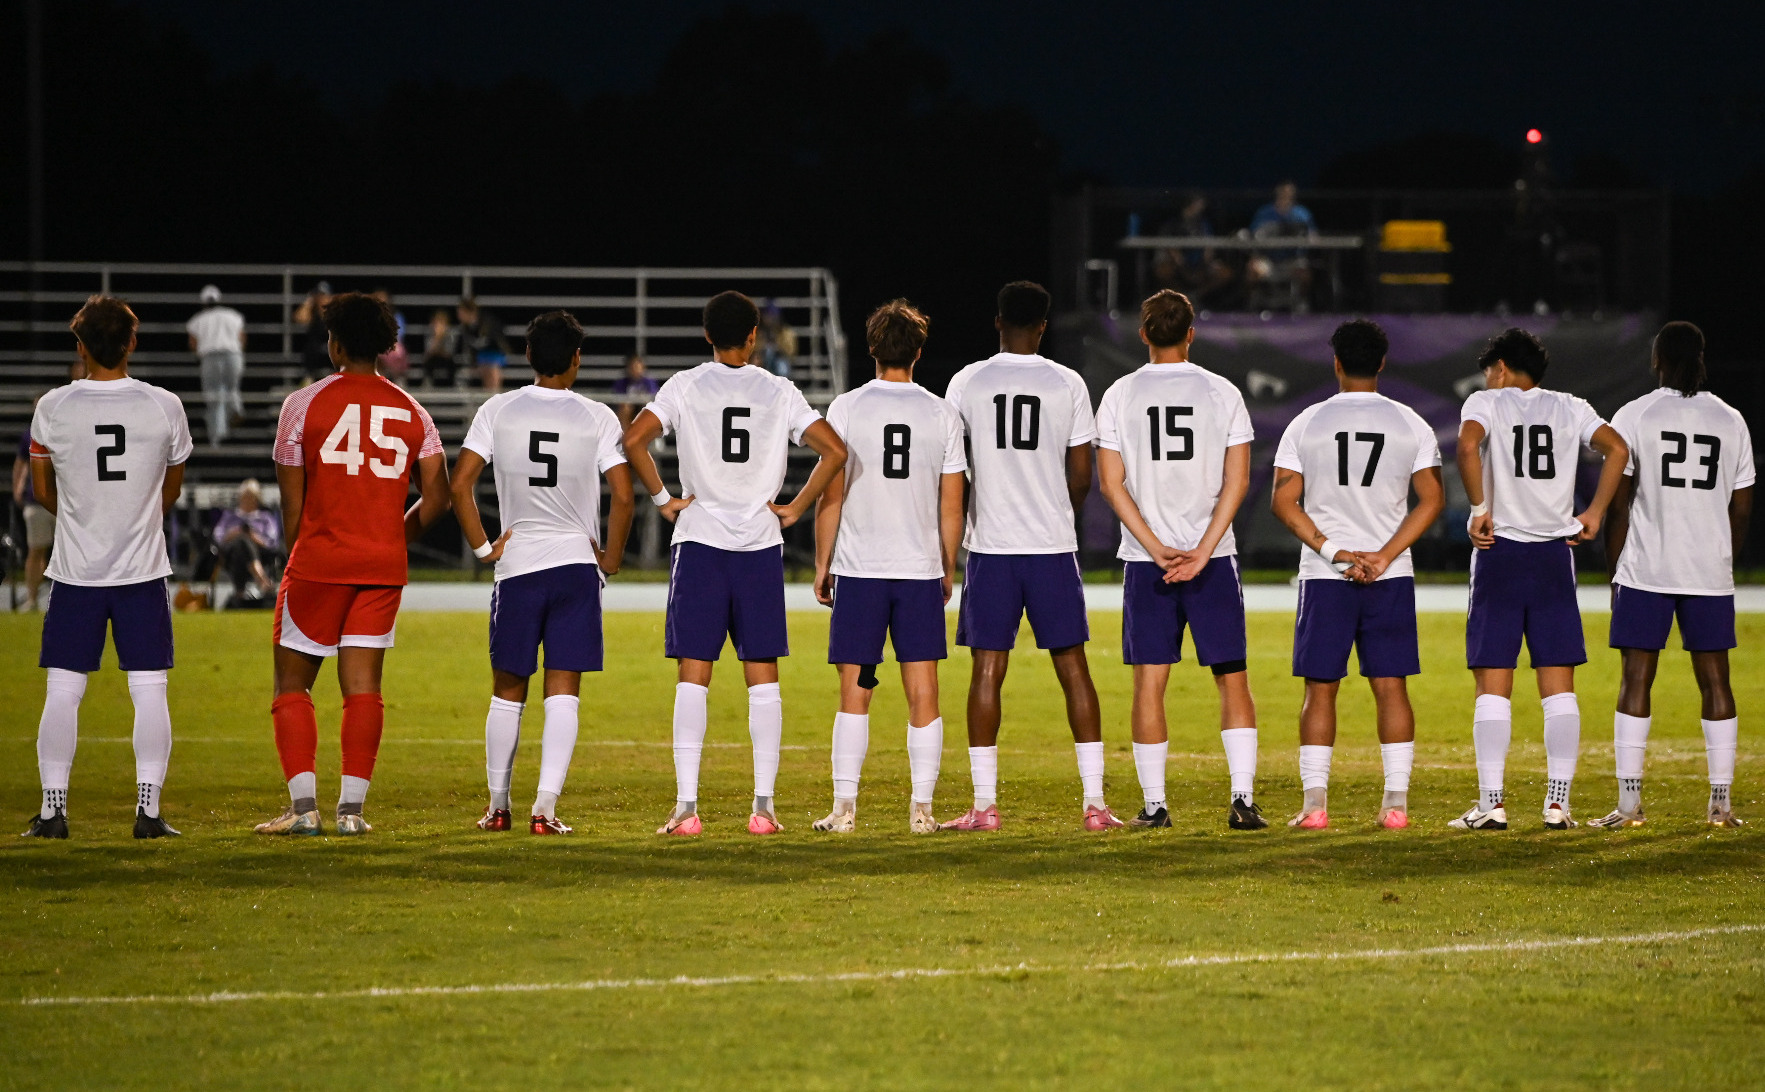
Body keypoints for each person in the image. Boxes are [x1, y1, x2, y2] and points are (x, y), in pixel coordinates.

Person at [622, 290, 847, 836]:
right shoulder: (778, 389)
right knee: (762, 677)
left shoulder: (685, 384)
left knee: (693, 676)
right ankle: (763, 808)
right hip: (758, 546)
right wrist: (794, 507)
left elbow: (633, 441)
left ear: (707, 336)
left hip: (699, 543)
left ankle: (686, 808)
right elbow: (836, 452)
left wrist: (662, 499)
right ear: (754, 337)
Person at [255, 293, 450, 837]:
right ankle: (352, 814)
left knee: (292, 685)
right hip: (381, 565)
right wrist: (391, 533)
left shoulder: (303, 404)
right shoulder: (414, 411)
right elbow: (437, 498)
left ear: (334, 343)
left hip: (319, 560)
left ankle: (302, 812)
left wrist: (305, 554)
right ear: (387, 347)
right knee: (363, 687)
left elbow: (293, 509)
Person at [941, 281, 1120, 831]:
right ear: (1044, 326)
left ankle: (984, 806)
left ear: (997, 322)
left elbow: (953, 469)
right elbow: (1082, 474)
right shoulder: (1067, 383)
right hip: (1050, 547)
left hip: (992, 548)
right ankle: (1094, 805)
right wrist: (1056, 512)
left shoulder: (966, 381)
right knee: (1074, 669)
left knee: (987, 671)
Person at [451, 311, 636, 835]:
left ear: (528, 356)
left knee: (506, 689)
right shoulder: (597, 415)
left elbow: (460, 483)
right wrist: (613, 557)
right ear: (577, 358)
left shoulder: (498, 409)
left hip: (518, 566)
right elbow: (623, 494)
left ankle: (497, 807)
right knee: (564, 690)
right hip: (575, 566)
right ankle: (545, 810)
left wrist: (485, 548)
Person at [1095, 290, 1265, 831]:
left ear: (1144, 333)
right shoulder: (1222, 392)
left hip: (1149, 562)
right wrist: (1204, 550)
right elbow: (1237, 482)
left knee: (1149, 681)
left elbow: (1110, 484)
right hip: (1211, 558)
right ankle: (1242, 800)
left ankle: (1154, 806)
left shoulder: (1120, 394)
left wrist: (1153, 546)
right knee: (1232, 678)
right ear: (1191, 333)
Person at [23, 296, 191, 839]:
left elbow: (44, 489)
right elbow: (171, 486)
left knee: (63, 691)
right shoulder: (164, 405)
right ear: (132, 343)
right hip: (142, 572)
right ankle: (148, 810)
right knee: (149, 690)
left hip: (76, 573)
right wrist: (134, 516)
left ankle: (53, 812)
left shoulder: (53, 407)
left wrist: (84, 516)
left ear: (80, 346)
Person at [1450, 327, 1628, 831]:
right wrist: (1593, 513)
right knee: (1558, 686)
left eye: (1490, 370)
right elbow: (1617, 449)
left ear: (1502, 368)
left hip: (1500, 553)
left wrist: (1479, 508)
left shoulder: (1488, 402)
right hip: (1553, 555)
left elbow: (1467, 448)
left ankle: (1492, 803)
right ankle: (1557, 803)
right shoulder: (1571, 406)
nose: (1488, 378)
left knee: (1492, 684)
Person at [1271, 319, 1443, 830]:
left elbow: (1284, 500)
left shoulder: (1306, 422)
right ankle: (1395, 805)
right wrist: (1384, 555)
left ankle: (1315, 806)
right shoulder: (1411, 422)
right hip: (1389, 576)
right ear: (1383, 363)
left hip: (1328, 577)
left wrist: (1333, 551)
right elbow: (1431, 499)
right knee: (1391, 687)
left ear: (1337, 362)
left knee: (1320, 690)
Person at [810, 300, 966, 834]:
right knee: (924, 689)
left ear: (872, 348)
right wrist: (947, 565)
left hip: (860, 566)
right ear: (919, 352)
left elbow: (831, 494)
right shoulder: (941, 412)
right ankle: (921, 810)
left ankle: (844, 810)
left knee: (855, 690)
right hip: (918, 568)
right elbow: (952, 503)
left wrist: (821, 563)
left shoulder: (847, 409)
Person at [1596, 322, 1753, 828]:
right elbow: (1743, 507)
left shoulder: (1635, 414)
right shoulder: (1731, 419)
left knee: (1636, 679)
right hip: (1708, 571)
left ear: (1657, 359)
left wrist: (1613, 567)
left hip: (1647, 567)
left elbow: (1618, 507)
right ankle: (1721, 805)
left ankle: (1628, 805)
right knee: (1716, 681)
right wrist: (1723, 558)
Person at [187, 284, 246, 446]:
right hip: (233, 355)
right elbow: (241, 337)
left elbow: (193, 343)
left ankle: (218, 437)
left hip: (210, 356)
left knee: (214, 396)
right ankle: (236, 409)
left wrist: (199, 356)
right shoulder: (233, 315)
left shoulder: (197, 319)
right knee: (232, 388)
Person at [1246, 181, 1318, 310]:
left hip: (1292, 260)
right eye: (1283, 193)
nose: (1286, 196)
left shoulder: (1302, 214)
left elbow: (1313, 236)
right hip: (1268, 259)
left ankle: (1300, 302)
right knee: (1253, 269)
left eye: (1290, 193)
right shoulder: (1264, 213)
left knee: (1305, 273)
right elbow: (1253, 236)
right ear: (1277, 193)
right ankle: (1254, 304)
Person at [12, 407, 54, 611]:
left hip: (64, 501)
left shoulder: (64, 428)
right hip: (37, 499)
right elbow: (21, 462)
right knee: (36, 550)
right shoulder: (31, 433)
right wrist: (17, 486)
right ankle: (32, 597)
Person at [213, 479, 281, 605]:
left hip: (261, 554)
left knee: (243, 543)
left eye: (251, 498)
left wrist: (253, 536)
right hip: (230, 554)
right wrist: (235, 533)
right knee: (240, 542)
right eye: (245, 497)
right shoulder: (230, 516)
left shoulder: (265, 518)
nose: (248, 501)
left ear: (257, 499)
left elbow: (273, 542)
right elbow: (218, 537)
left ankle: (239, 593)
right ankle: (263, 581)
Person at [457, 297, 510, 394]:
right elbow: (473, 348)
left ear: (469, 312)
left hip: (495, 353)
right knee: (484, 370)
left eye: (461, 313)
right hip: (481, 356)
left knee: (492, 370)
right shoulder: (466, 328)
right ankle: (490, 398)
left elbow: (497, 342)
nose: (459, 316)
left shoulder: (487, 322)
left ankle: (495, 396)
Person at [294, 281, 332, 384]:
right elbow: (300, 318)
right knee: (311, 348)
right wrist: (308, 302)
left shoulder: (334, 313)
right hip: (315, 354)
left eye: (324, 296)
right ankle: (308, 378)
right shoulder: (312, 313)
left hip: (330, 353)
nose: (321, 299)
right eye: (319, 296)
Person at [612, 353, 659, 430]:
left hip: (643, 408)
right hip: (629, 410)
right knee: (625, 408)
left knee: (647, 408)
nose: (635, 369)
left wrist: (641, 400)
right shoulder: (622, 382)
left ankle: (645, 434)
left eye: (637, 366)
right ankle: (626, 435)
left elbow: (654, 398)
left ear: (642, 367)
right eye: (632, 367)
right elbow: (619, 399)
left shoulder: (649, 381)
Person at [372, 288, 410, 385]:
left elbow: (399, 335)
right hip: (376, 346)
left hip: (391, 346)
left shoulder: (397, 316)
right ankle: (377, 381)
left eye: (384, 299)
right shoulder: (369, 317)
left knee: (399, 351)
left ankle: (398, 379)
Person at [423, 309, 457, 389]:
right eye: (437, 322)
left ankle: (451, 387)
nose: (439, 325)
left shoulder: (451, 333)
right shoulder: (429, 332)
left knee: (451, 363)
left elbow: (449, 353)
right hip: (433, 361)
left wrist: (441, 337)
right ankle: (428, 385)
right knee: (428, 361)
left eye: (442, 322)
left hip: (446, 362)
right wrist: (437, 338)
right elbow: (429, 352)